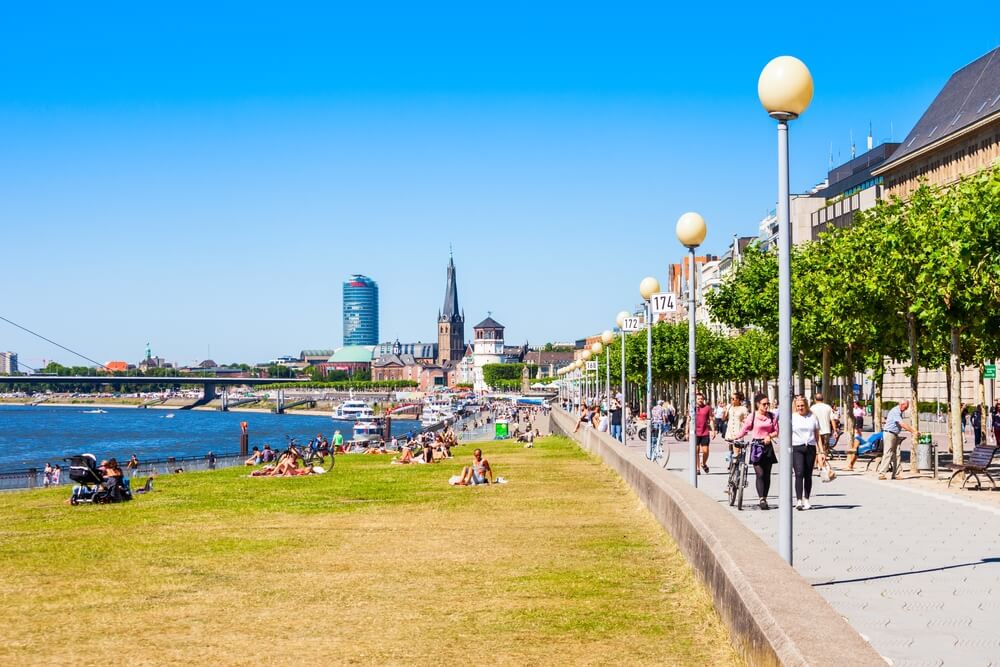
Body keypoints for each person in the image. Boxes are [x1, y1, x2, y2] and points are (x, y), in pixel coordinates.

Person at [735, 394, 779, 510]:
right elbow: (745, 429)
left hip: (768, 446)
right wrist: (736, 437)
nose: (766, 406)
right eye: (764, 404)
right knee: (760, 473)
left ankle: (765, 497)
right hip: (756, 446)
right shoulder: (752, 416)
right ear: (758, 404)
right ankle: (761, 499)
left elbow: (776, 431)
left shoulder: (772, 416)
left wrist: (769, 436)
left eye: (767, 404)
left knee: (767, 474)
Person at [792, 396, 821, 510]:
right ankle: (799, 500)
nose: (800, 408)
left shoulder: (812, 417)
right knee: (799, 473)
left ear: (806, 405)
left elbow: (817, 435)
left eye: (802, 406)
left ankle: (807, 499)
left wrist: (821, 452)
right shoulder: (792, 417)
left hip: (810, 447)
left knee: (808, 475)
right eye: (798, 406)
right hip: (797, 447)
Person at [878, 400, 919, 480]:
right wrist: (913, 431)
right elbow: (902, 424)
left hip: (895, 434)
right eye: (906, 407)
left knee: (897, 454)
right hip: (889, 434)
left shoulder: (899, 412)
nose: (906, 409)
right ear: (901, 404)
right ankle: (881, 473)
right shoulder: (895, 412)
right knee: (888, 453)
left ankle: (896, 474)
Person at [693, 393, 715, 474]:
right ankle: (697, 468)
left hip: (705, 432)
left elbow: (711, 419)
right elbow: (689, 419)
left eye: (701, 398)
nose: (700, 400)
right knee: (696, 451)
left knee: (705, 451)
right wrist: (687, 432)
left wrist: (713, 430)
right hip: (695, 433)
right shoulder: (693, 408)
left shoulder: (707, 408)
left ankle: (703, 463)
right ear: (695, 399)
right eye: (698, 399)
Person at [810, 393, 834, 463]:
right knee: (825, 448)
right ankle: (823, 463)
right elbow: (832, 419)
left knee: (817, 448)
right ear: (823, 399)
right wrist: (835, 430)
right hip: (826, 431)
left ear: (815, 399)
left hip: (816, 431)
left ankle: (817, 463)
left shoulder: (812, 408)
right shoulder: (828, 407)